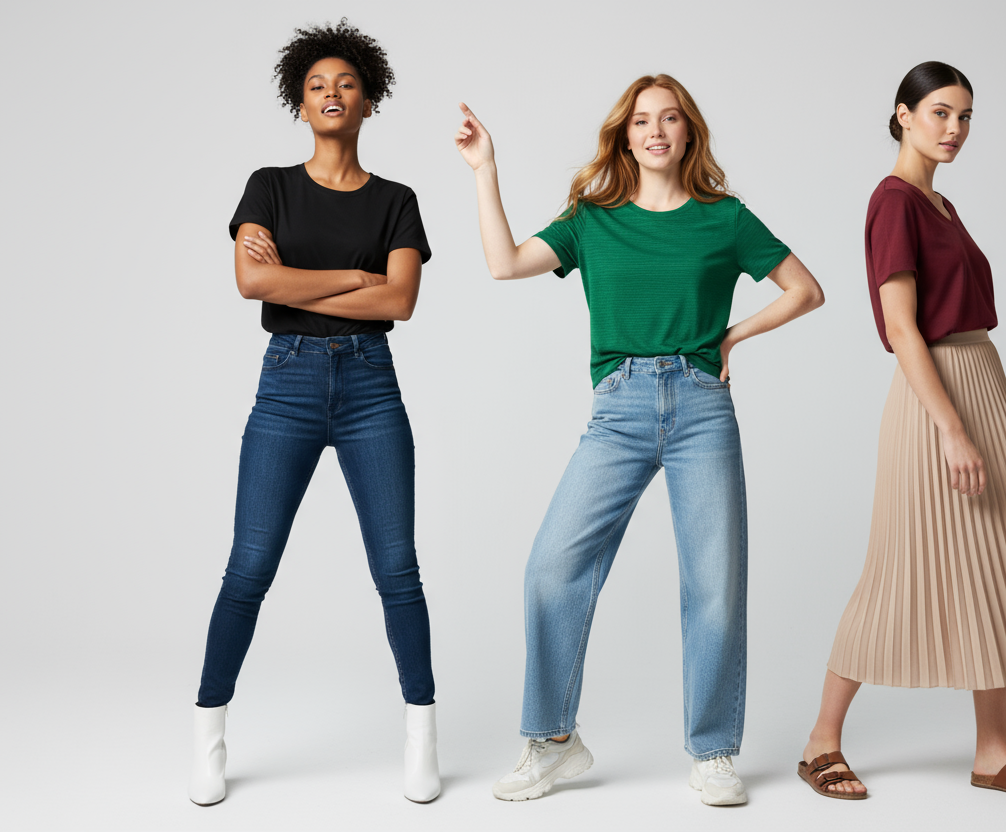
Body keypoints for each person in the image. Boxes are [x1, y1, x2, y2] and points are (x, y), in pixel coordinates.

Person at [455, 74, 823, 806]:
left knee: (714, 585)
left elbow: (805, 290)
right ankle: (554, 742)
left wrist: (732, 338)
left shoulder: (724, 218)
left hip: (700, 406)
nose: (657, 131)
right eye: (643, 120)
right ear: (625, 135)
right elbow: (504, 263)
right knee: (551, 568)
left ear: (689, 132)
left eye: (671, 119)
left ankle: (714, 752)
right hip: (618, 407)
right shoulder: (593, 220)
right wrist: (484, 169)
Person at [799, 61, 1006, 804]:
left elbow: (964, 327)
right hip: (934, 400)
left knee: (995, 563)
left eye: (966, 117)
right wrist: (952, 430)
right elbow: (904, 330)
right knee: (895, 572)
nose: (954, 129)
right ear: (902, 115)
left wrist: (996, 428)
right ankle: (820, 744)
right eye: (940, 113)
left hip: (979, 391)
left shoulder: (941, 206)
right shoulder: (894, 203)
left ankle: (993, 754)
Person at [189, 19, 439, 806]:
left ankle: (422, 738)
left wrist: (307, 275)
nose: (332, 95)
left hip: (371, 387)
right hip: (287, 385)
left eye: (347, 84)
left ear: (370, 100)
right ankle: (208, 739)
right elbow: (253, 285)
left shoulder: (397, 199)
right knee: (249, 567)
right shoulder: (268, 185)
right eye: (316, 86)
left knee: (397, 569)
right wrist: (354, 278)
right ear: (300, 104)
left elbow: (399, 300)